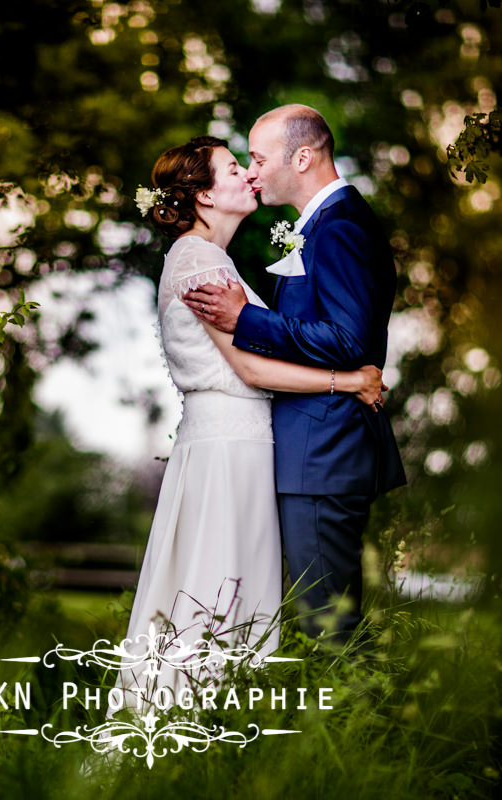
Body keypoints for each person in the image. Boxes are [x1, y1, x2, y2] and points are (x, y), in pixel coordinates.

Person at [111, 135, 386, 715]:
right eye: (236, 169)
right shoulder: (201, 259)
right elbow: (248, 364)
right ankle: (194, 724)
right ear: (206, 196)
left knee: (221, 588)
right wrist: (348, 381)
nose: (249, 176)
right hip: (229, 446)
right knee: (218, 587)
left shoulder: (205, 256)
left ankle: (204, 726)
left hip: (230, 441)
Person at [183, 106, 406, 644]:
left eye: (259, 159)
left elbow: (350, 342)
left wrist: (247, 320)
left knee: (330, 627)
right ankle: (346, 721)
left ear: (301, 157)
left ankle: (361, 723)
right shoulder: (330, 224)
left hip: (322, 452)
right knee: (320, 620)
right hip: (315, 451)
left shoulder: (340, 228)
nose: (252, 172)